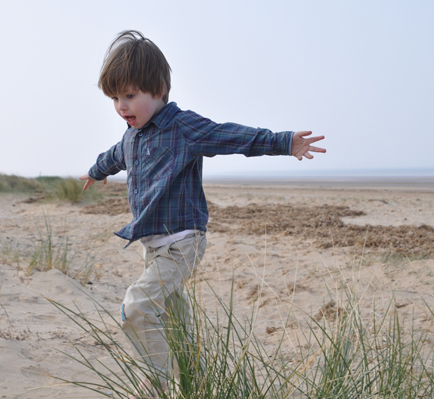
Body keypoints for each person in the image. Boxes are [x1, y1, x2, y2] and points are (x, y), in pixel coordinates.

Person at [79, 30, 326, 397]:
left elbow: (230, 136)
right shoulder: (132, 136)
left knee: (136, 307)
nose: (122, 106)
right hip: (152, 245)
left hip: (183, 241)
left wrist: (283, 142)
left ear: (159, 90)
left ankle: (158, 378)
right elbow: (115, 155)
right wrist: (96, 171)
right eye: (115, 98)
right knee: (178, 325)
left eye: (130, 96)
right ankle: (192, 382)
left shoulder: (183, 127)